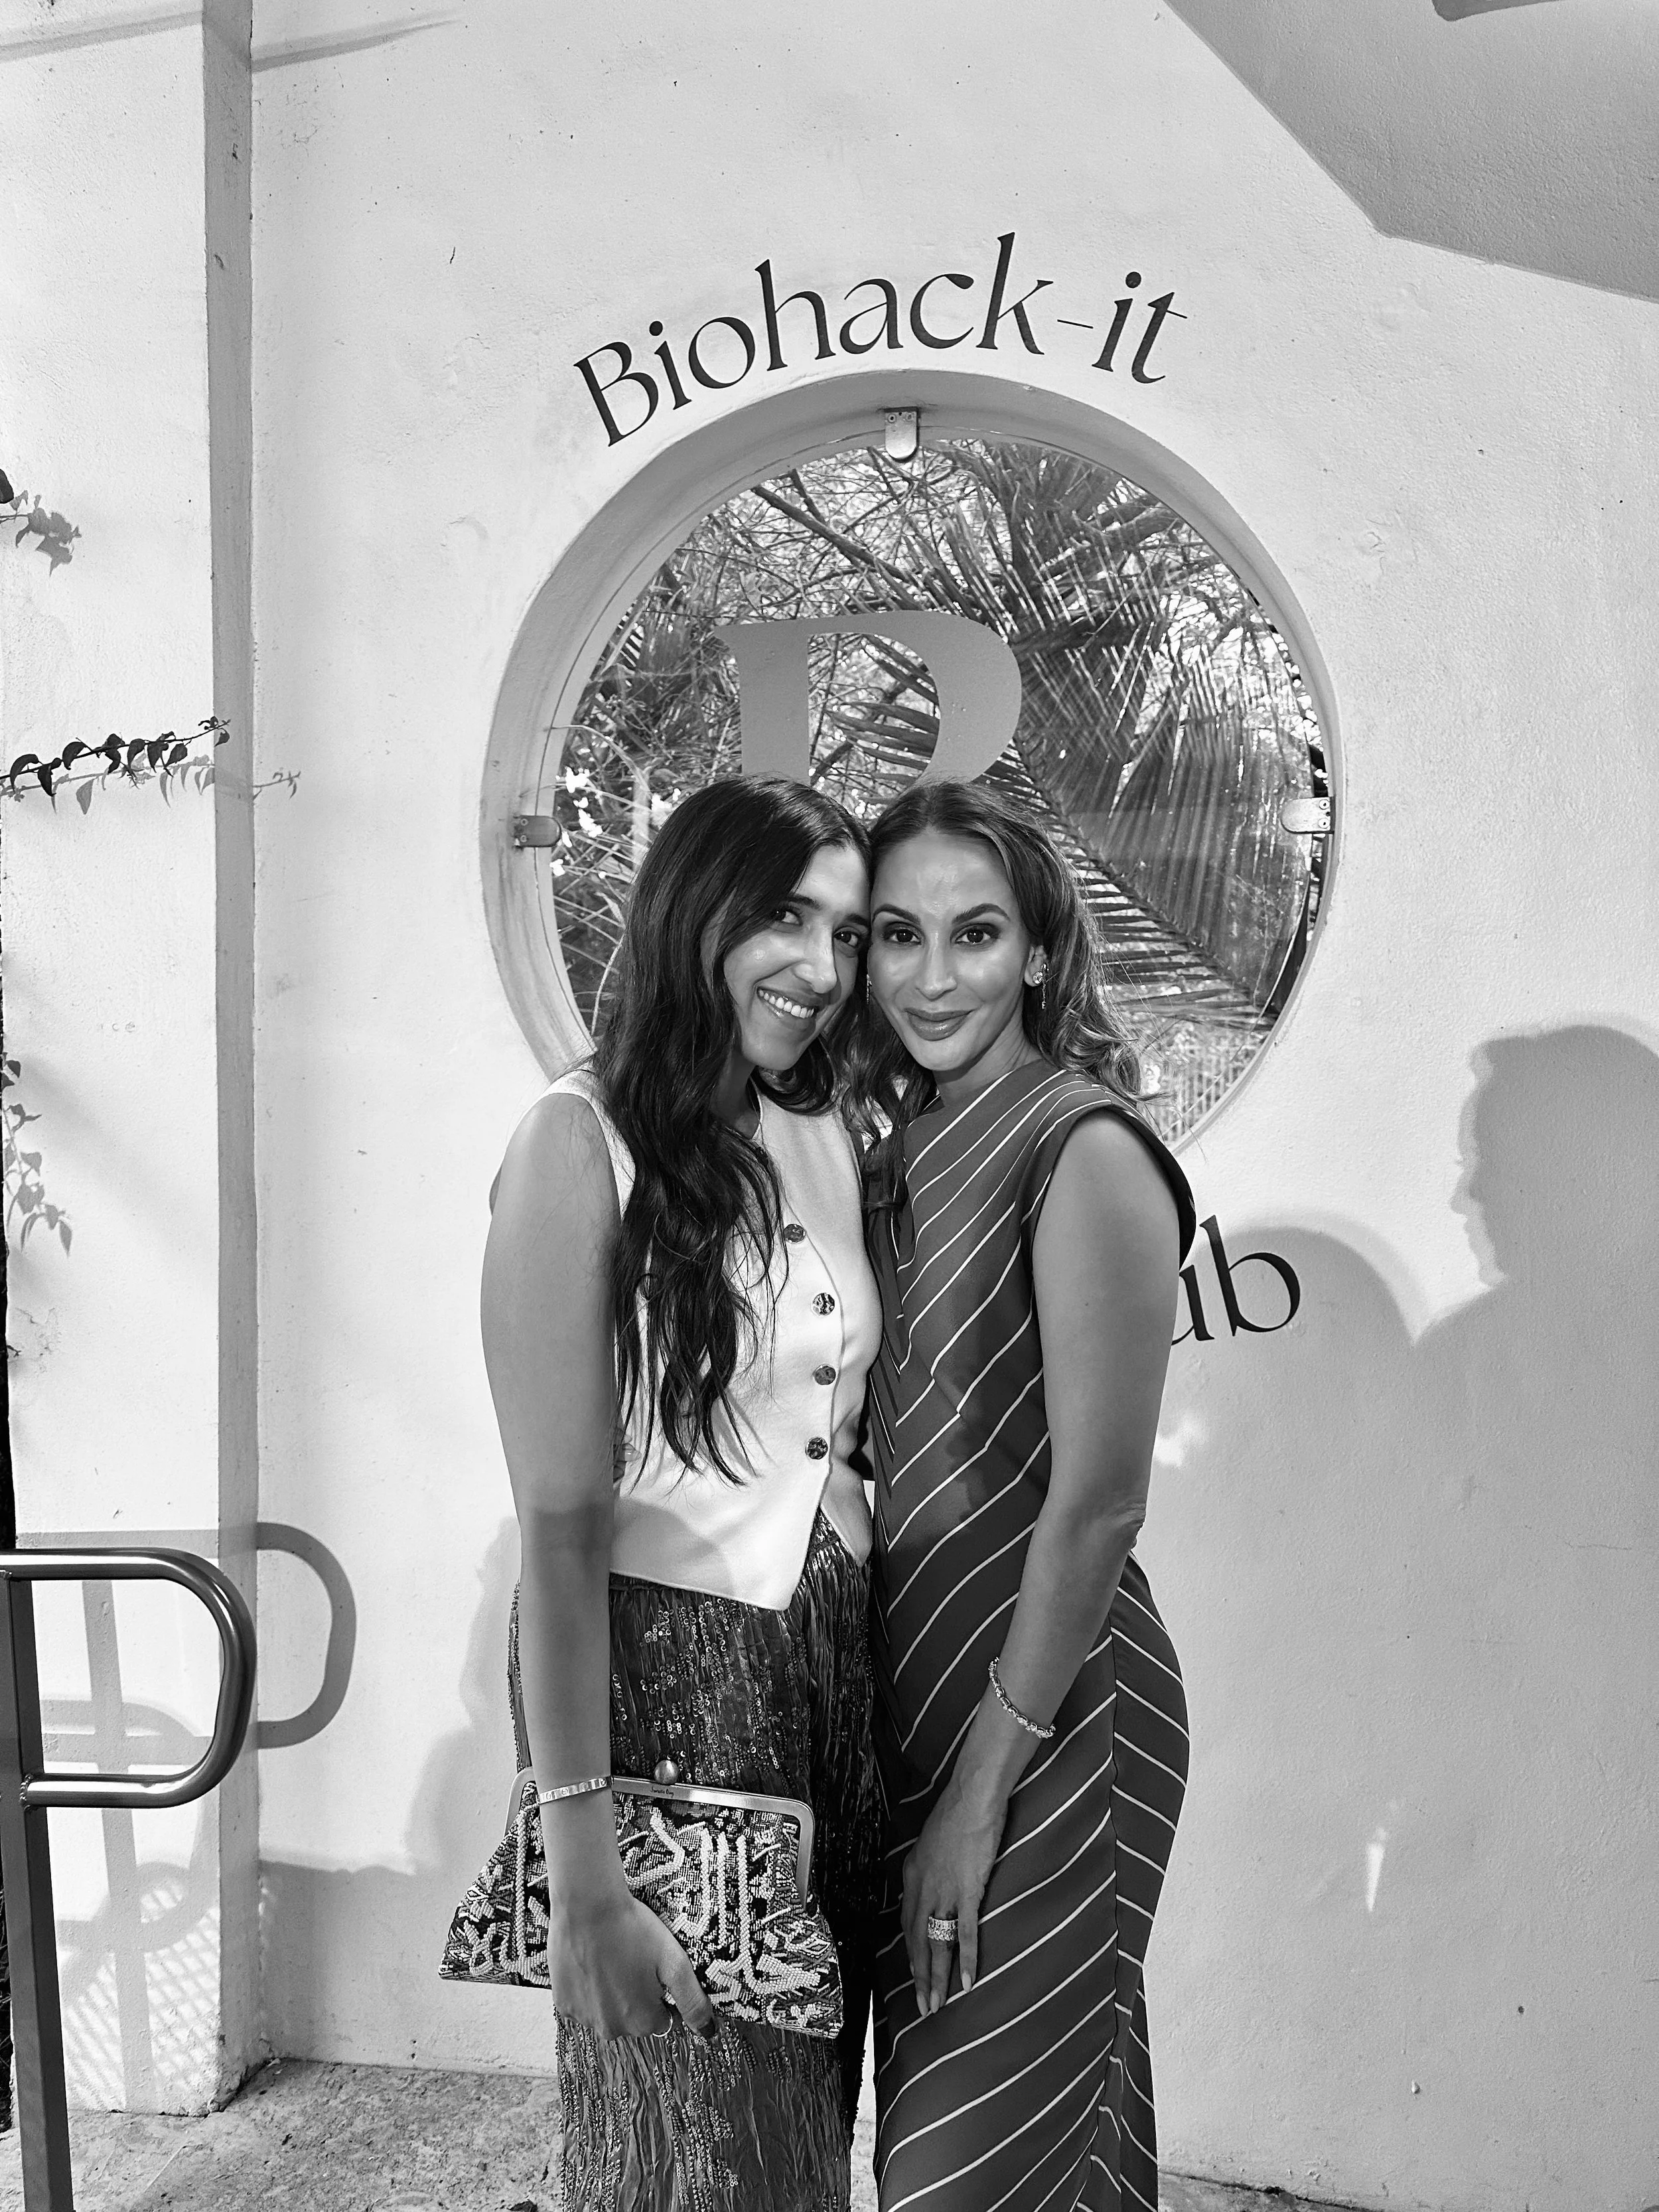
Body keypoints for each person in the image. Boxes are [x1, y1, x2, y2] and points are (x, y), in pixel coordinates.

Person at [478, 777, 883, 2212]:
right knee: (694, 2153)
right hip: (672, 1684)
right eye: (784, 915)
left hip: (842, 1670)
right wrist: (581, 1870)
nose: (819, 968)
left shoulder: (818, 1128)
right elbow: (562, 1526)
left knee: (804, 2141)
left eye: (843, 930)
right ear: (690, 909)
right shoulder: (572, 1144)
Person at [852, 779, 1198, 2212]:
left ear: (1042, 950)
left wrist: (981, 1790)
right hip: (913, 1714)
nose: (933, 977)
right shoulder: (886, 1148)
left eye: (975, 932)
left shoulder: (1083, 1148)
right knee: (1059, 2153)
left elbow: (1099, 1504)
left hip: (1052, 1720)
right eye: (896, 934)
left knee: (957, 2175)